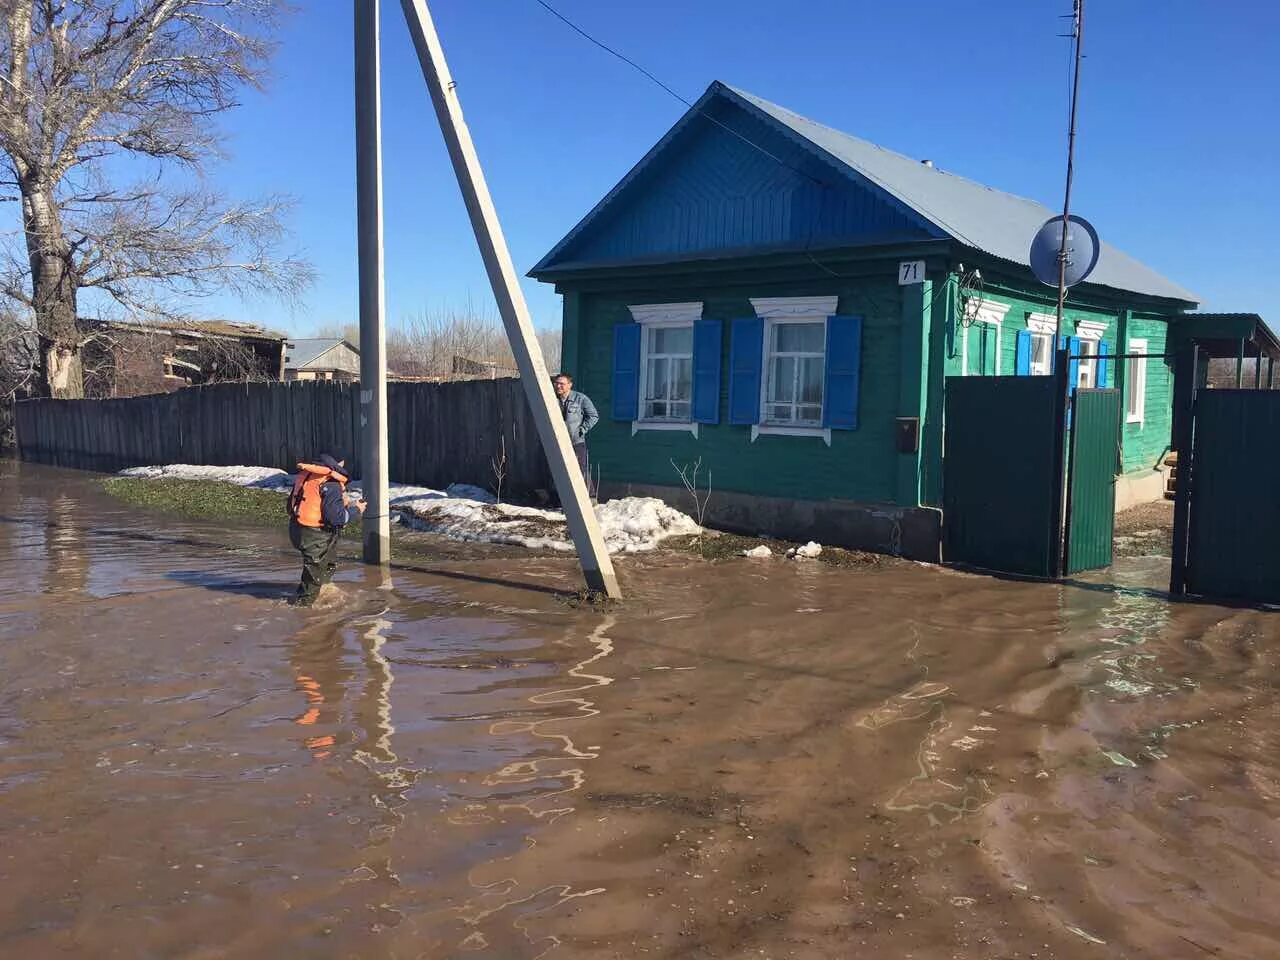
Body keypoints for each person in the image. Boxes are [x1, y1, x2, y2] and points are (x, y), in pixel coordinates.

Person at [286, 453, 366, 607]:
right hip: (315, 536)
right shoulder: (332, 483)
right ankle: (304, 611)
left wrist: (342, 506)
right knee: (314, 575)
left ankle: (324, 589)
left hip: (297, 529)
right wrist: (356, 510)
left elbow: (292, 505)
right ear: (338, 464)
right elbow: (336, 519)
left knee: (327, 562)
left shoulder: (307, 475)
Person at [552, 373, 599, 498]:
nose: (558, 386)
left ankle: (590, 498)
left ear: (569, 385)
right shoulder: (551, 399)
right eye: (556, 383)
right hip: (558, 441)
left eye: (562, 383)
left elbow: (594, 416)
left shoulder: (580, 399)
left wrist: (582, 429)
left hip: (576, 441)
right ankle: (565, 499)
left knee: (580, 470)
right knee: (561, 471)